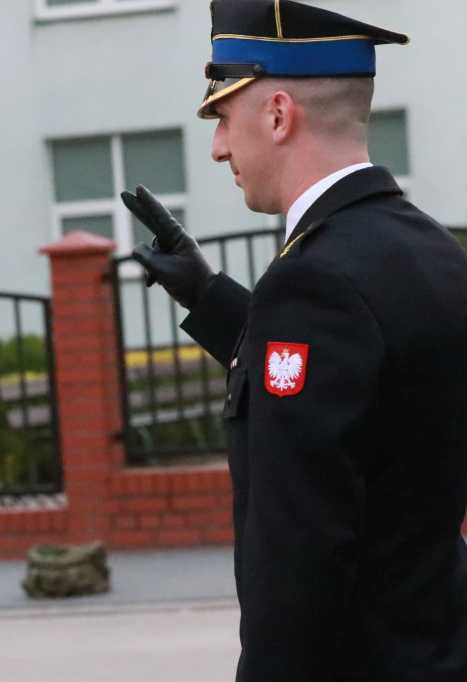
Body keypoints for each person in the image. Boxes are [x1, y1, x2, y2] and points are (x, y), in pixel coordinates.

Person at [122, 1, 467, 679]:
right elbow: (369, 388)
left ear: (278, 115)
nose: (219, 146)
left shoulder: (312, 280)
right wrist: (212, 298)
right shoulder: (432, 251)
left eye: (223, 117)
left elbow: (299, 556)